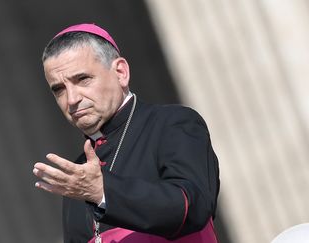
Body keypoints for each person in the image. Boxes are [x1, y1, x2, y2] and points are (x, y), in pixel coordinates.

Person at [33, 23, 220, 243]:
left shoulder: (172, 124)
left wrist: (102, 191)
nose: (72, 99)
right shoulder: (78, 176)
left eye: (82, 79)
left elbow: (193, 208)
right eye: (59, 89)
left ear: (121, 72)